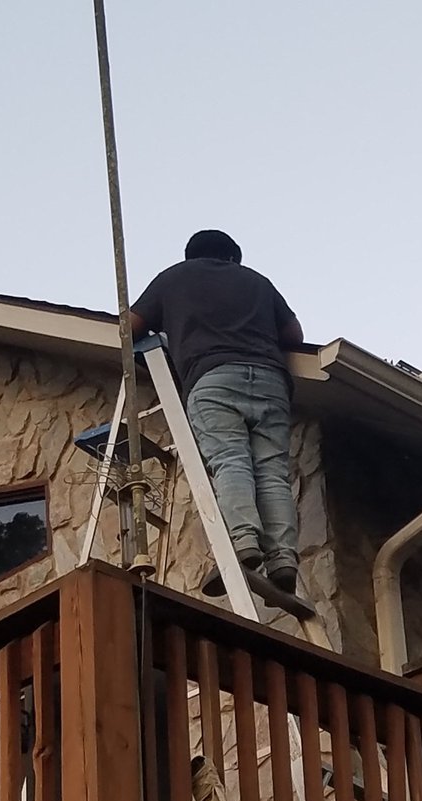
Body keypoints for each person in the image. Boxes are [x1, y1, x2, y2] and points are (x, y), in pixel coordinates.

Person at [125, 230, 305, 595]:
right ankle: (283, 557)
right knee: (271, 471)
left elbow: (128, 328)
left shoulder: (174, 277)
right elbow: (295, 336)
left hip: (213, 377)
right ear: (233, 257)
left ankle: (244, 542)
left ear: (191, 255)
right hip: (271, 380)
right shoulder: (257, 281)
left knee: (231, 461)